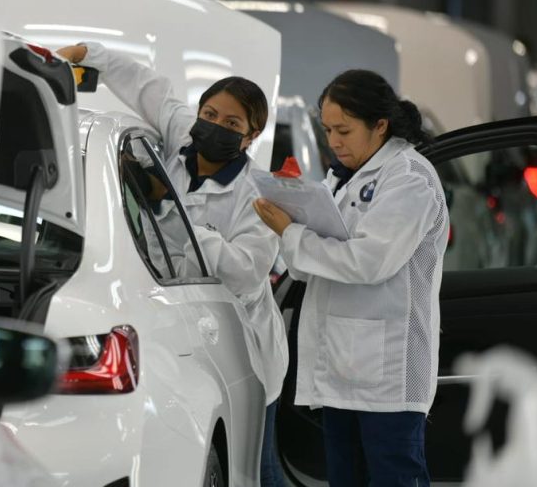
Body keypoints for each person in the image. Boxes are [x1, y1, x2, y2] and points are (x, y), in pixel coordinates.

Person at [58, 42, 289, 487]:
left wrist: (173, 215)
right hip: (181, 316)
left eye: (232, 124)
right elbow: (146, 85)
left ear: (252, 135)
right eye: (210, 114)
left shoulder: (258, 193)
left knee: (259, 468)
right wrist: (89, 53)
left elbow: (245, 272)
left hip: (243, 339)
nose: (215, 126)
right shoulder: (183, 135)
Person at [253, 69, 450, 486]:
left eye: (344, 130)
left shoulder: (409, 178)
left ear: (380, 125)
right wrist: (294, 216)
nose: (334, 142)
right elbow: (316, 259)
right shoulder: (344, 177)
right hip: (340, 365)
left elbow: (368, 262)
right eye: (327, 130)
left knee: (394, 476)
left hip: (388, 371)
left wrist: (293, 234)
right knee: (344, 479)